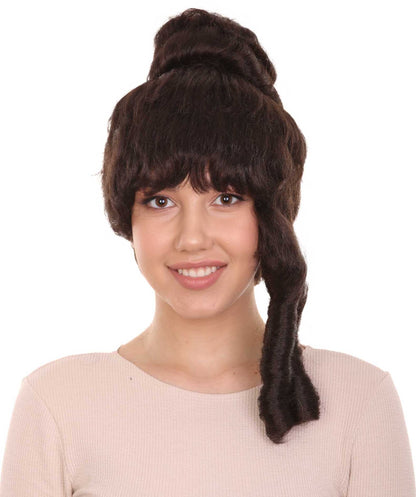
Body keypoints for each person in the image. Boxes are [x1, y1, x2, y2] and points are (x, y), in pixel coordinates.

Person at [0, 7, 415, 496]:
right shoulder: (58, 404)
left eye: (226, 198)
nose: (192, 238)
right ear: (127, 217)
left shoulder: (359, 402)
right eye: (160, 201)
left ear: (272, 214)